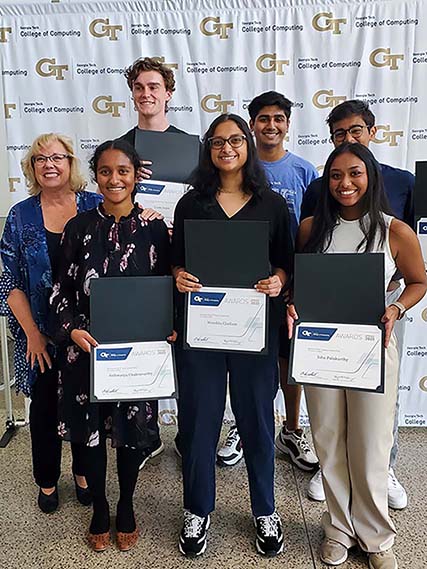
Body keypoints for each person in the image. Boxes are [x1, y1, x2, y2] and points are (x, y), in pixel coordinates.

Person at [287, 142, 426, 569]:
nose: (345, 183)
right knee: (328, 441)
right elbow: (299, 284)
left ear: (370, 177)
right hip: (320, 351)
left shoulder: (394, 231)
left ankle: (377, 537)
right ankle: (337, 528)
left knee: (370, 445)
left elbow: (418, 282)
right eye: (335, 175)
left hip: (372, 348)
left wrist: (396, 307)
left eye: (354, 174)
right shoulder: (311, 228)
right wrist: (293, 304)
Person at [172, 113, 293, 557]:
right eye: (218, 141)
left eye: (236, 140)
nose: (227, 148)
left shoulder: (272, 204)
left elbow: (286, 262)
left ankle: (265, 509)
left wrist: (279, 280)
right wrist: (179, 275)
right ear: (208, 148)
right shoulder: (191, 203)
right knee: (199, 424)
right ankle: (198, 510)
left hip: (253, 332)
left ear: (248, 145)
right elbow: (175, 260)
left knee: (258, 424)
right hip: (201, 331)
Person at [50, 139, 171, 551]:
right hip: (86, 350)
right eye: (105, 171)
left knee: (130, 435)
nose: (114, 179)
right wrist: (72, 330)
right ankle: (100, 506)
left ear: (137, 175)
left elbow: (168, 290)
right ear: (96, 176)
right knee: (91, 436)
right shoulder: (78, 227)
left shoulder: (156, 228)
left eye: (123, 171)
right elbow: (60, 292)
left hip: (137, 355)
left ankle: (126, 505)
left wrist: (169, 326)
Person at [300, 100, 414, 508]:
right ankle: (334, 493)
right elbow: (306, 266)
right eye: (339, 134)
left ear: (372, 132)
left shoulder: (403, 184)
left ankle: (383, 472)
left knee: (378, 416)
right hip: (325, 329)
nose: (344, 182)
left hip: (377, 316)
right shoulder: (316, 198)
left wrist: (396, 300)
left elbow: (415, 266)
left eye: (355, 131)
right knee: (330, 422)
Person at [217, 91, 318, 472]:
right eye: (263, 118)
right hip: (245, 289)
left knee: (288, 362)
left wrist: (296, 280)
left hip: (291, 281)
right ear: (252, 125)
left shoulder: (305, 172)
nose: (271, 125)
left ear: (288, 124)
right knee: (245, 361)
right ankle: (244, 427)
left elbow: (313, 230)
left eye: (279, 118)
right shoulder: (237, 168)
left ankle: (291, 430)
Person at [0, 133, 101, 513]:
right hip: (39, 332)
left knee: (85, 405)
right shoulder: (21, 214)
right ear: (31, 167)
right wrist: (33, 335)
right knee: (43, 408)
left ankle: (83, 473)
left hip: (88, 332)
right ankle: (46, 480)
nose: (49, 164)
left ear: (71, 164)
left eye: (57, 157)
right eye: (40, 159)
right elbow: (9, 281)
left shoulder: (95, 206)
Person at [120, 57, 195, 467]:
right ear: (132, 94)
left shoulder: (193, 147)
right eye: (139, 87)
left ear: (168, 92)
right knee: (143, 344)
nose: (146, 94)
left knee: (185, 349)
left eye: (154, 86)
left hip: (181, 259)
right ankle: (146, 436)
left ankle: (188, 434)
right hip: (137, 263)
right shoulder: (119, 148)